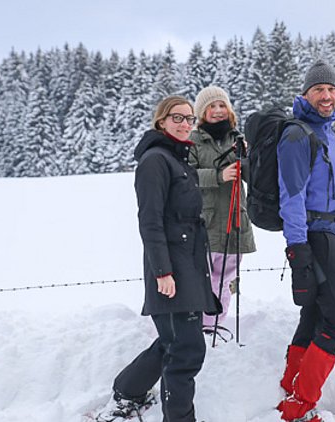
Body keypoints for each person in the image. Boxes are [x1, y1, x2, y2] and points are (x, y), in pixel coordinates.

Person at [95, 96, 219, 422]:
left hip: (187, 264)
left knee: (173, 341)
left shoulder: (178, 159)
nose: (184, 124)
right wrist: (163, 271)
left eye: (189, 119)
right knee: (187, 349)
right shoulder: (155, 161)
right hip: (171, 268)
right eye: (177, 117)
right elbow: (150, 221)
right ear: (161, 121)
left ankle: (128, 390)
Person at [276, 59, 335, 422]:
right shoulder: (298, 134)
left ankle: (290, 387)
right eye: (319, 89)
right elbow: (291, 195)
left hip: (334, 234)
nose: (326, 96)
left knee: (315, 316)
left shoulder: (328, 133)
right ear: (306, 94)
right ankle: (300, 406)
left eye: (331, 90)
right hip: (315, 237)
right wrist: (298, 249)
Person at [188, 86, 256, 338]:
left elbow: (253, 177)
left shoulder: (238, 139)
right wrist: (218, 175)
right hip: (206, 221)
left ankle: (216, 325)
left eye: (222, 106)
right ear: (201, 113)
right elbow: (187, 175)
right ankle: (199, 325)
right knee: (204, 276)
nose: (218, 111)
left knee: (227, 279)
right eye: (211, 107)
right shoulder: (193, 141)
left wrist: (249, 158)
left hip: (236, 220)